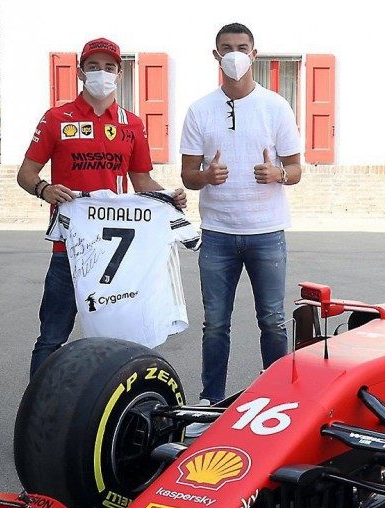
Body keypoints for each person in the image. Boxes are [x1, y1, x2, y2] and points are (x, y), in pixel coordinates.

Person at [17, 37, 186, 378]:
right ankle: (38, 412)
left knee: (120, 337)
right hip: (69, 247)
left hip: (116, 254)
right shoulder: (55, 118)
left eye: (109, 68)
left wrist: (169, 198)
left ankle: (111, 404)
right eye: (93, 67)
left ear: (119, 75)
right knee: (52, 337)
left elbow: (142, 182)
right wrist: (44, 189)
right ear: (81, 73)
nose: (101, 74)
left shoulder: (132, 123)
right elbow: (26, 173)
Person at [180, 22, 303, 424]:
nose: (234, 54)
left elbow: (296, 169)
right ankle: (209, 400)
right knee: (215, 323)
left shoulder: (276, 106)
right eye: (226, 48)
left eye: (242, 47)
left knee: (272, 320)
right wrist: (205, 177)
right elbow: (186, 175)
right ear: (216, 56)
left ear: (254, 53)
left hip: (266, 231)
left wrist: (278, 175)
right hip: (217, 233)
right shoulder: (200, 110)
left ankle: (278, 396)